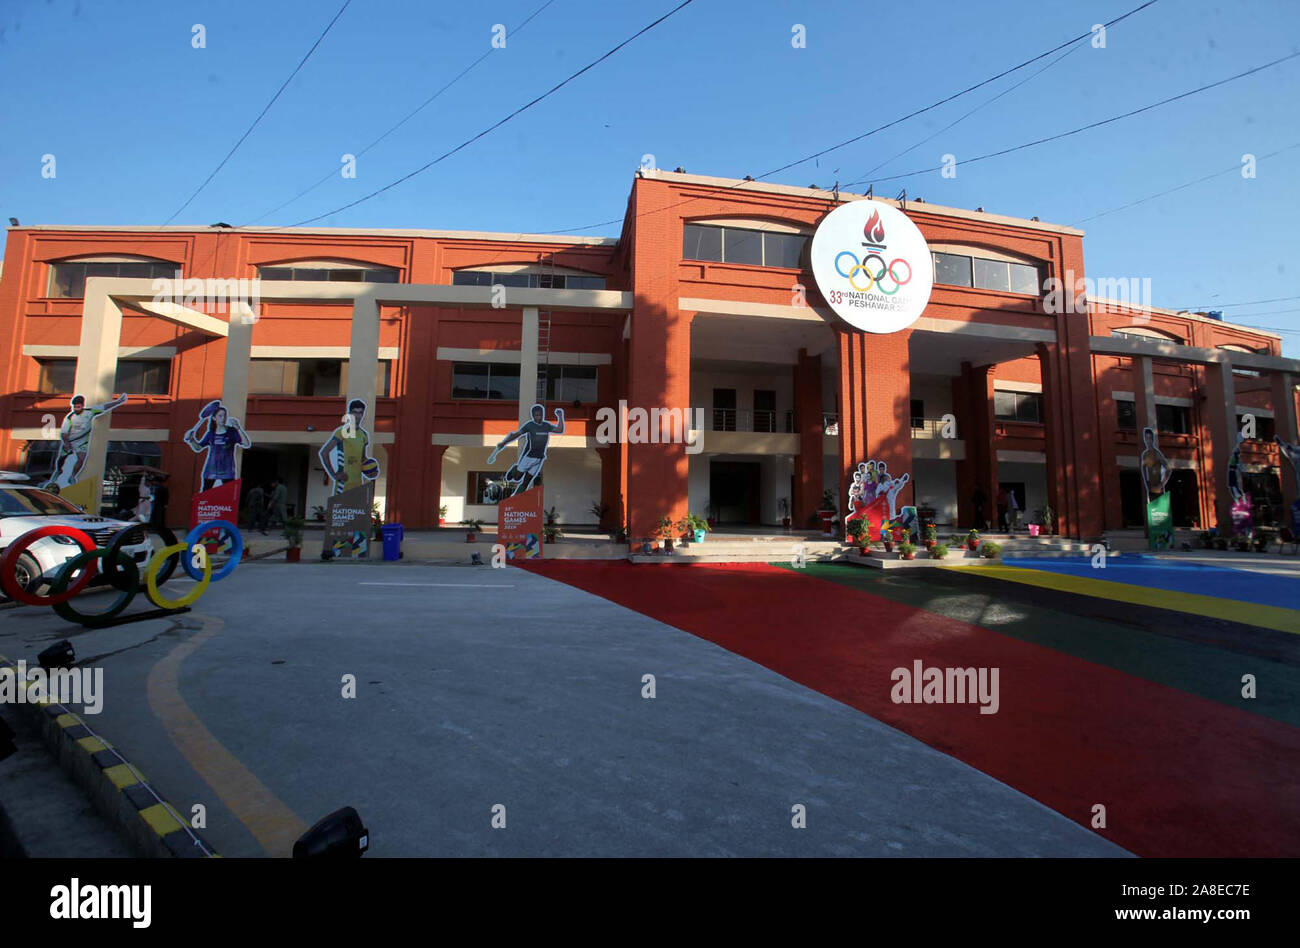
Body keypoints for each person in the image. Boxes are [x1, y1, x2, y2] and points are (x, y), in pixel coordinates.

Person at [45, 393, 128, 489]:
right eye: (74, 407)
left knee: (81, 459)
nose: (76, 409)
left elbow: (105, 407)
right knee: (62, 459)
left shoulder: (90, 412)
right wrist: (67, 443)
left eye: (78, 407)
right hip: (70, 441)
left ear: (83, 406)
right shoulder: (70, 417)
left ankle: (73, 476)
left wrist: (118, 402)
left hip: (82, 442)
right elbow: (64, 433)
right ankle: (58, 471)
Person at [487, 403, 565, 497]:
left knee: (526, 481)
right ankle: (514, 470)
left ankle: (516, 497)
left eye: (541, 415)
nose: (539, 417)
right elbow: (517, 434)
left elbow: (559, 429)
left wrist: (560, 416)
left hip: (539, 459)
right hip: (529, 457)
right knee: (517, 478)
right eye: (536, 415)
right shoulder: (530, 425)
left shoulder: (546, 425)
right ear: (533, 416)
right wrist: (504, 442)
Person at [185, 401, 252, 490]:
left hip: (227, 471)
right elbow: (198, 448)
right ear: (214, 418)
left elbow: (246, 444)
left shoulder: (232, 431)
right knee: (205, 494)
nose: (223, 418)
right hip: (211, 470)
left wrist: (238, 428)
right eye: (220, 416)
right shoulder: (211, 434)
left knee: (228, 495)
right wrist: (192, 440)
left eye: (224, 416)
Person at [318, 399, 379, 495]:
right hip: (343, 485)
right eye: (355, 412)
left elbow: (362, 459)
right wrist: (334, 475)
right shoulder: (342, 431)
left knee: (356, 509)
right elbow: (324, 452)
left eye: (360, 413)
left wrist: (371, 471)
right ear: (350, 413)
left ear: (363, 414)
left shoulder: (364, 435)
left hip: (358, 484)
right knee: (341, 510)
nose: (357, 416)